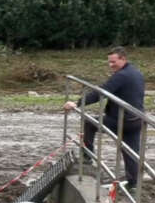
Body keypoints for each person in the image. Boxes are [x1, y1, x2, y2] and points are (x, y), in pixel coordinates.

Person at [62, 46, 146, 187]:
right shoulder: (136, 73)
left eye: (113, 62)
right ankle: (133, 184)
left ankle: (87, 156)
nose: (110, 65)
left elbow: (100, 93)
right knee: (130, 152)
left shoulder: (121, 76)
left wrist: (77, 103)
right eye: (109, 62)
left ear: (123, 59)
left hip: (122, 119)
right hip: (136, 118)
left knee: (89, 122)